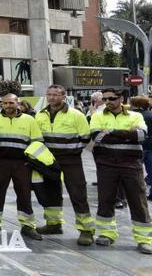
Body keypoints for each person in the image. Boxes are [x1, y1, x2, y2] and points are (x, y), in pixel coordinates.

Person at [89, 89, 152, 254]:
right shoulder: (98, 116)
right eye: (105, 98)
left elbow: (140, 136)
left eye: (112, 98)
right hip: (106, 164)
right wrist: (127, 135)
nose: (108, 101)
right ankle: (106, 233)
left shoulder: (135, 116)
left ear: (122, 99)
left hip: (132, 165)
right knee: (106, 199)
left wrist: (112, 132)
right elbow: (97, 137)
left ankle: (144, 239)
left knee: (138, 201)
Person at [34, 84, 94, 245]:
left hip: (71, 160)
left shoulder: (76, 115)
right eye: (49, 94)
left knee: (77, 194)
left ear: (63, 96)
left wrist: (72, 151)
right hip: (49, 161)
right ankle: (53, 224)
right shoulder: (40, 115)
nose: (52, 97)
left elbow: (85, 138)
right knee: (51, 193)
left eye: (55, 95)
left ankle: (86, 230)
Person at [0, 94, 43, 240]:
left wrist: (30, 161)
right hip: (0, 163)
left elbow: (37, 142)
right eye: (5, 103)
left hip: (22, 164)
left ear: (18, 103)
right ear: (1, 104)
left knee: (24, 194)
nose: (8, 105)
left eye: (11, 102)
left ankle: (28, 226)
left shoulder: (29, 120)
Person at [136, 96, 152, 199]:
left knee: (134, 170)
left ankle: (135, 193)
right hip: (150, 146)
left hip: (137, 145)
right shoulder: (150, 115)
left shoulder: (133, 116)